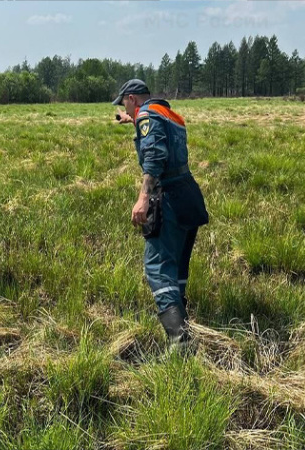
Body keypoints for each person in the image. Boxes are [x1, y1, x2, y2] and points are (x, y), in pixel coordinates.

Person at [113, 79, 209, 352]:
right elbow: (156, 132)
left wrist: (143, 198)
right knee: (177, 266)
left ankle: (180, 342)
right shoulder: (169, 114)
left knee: (156, 268)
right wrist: (129, 120)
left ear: (131, 98)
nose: (126, 110)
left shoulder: (145, 115)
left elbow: (154, 153)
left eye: (125, 105)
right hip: (188, 195)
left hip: (167, 196)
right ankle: (185, 324)